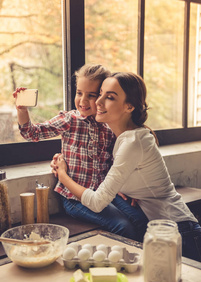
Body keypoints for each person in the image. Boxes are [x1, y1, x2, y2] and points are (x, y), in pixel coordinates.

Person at [55, 71, 201, 262]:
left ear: (129, 106)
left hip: (181, 233)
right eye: (100, 94)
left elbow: (98, 202)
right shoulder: (124, 138)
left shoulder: (133, 142)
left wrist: (63, 175)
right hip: (162, 230)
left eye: (110, 97)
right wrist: (124, 190)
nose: (98, 102)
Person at [13, 64, 148, 241]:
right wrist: (22, 111)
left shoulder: (111, 124)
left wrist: (124, 188)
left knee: (142, 221)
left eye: (91, 95)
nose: (83, 101)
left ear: (102, 95)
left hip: (105, 193)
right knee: (123, 227)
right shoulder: (70, 120)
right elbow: (32, 133)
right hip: (75, 199)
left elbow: (119, 162)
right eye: (79, 93)